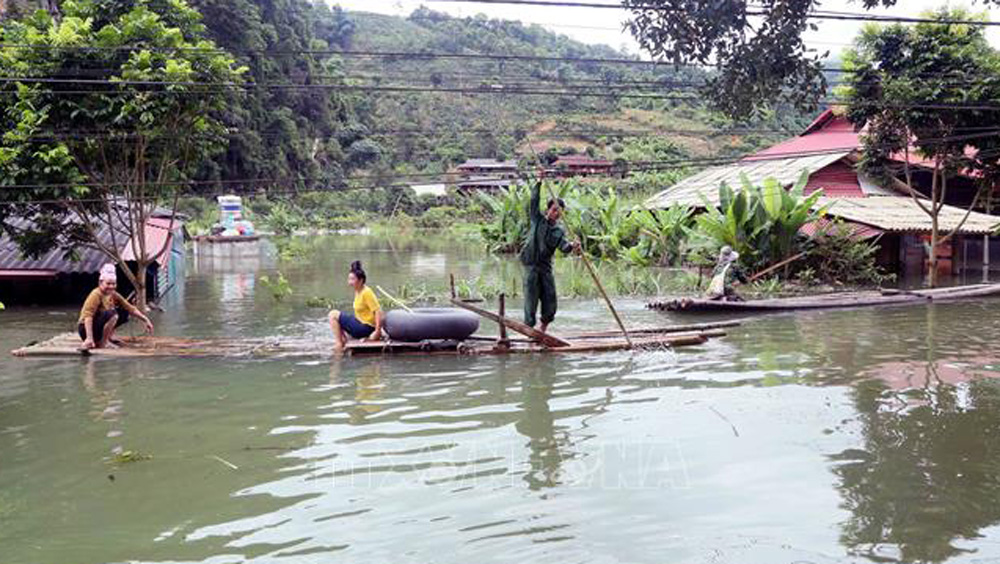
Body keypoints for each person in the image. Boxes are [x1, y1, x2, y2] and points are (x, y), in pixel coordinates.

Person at [520, 181, 580, 334]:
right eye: (554, 210)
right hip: (531, 267)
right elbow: (533, 201)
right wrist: (539, 182)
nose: (557, 213)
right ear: (548, 210)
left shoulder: (558, 231)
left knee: (550, 298)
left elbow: (564, 247)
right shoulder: (537, 220)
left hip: (545, 269)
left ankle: (543, 329)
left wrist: (573, 246)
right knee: (530, 300)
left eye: (560, 211)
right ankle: (529, 331)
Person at [78, 264, 155, 350]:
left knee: (124, 313)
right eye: (108, 284)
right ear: (100, 282)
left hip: (97, 328)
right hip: (85, 329)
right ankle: (104, 342)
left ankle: (108, 337)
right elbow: (88, 317)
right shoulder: (96, 294)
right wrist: (89, 338)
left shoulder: (113, 294)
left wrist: (146, 320)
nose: (111, 286)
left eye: (113, 284)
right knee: (113, 314)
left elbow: (130, 308)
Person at [328, 261, 384, 351]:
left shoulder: (366, 292)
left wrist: (377, 332)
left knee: (333, 314)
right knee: (341, 320)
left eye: (352, 279)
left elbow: (378, 312)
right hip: (361, 323)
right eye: (349, 279)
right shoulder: (358, 290)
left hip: (366, 328)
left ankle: (339, 344)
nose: (350, 282)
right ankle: (343, 340)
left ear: (361, 280)